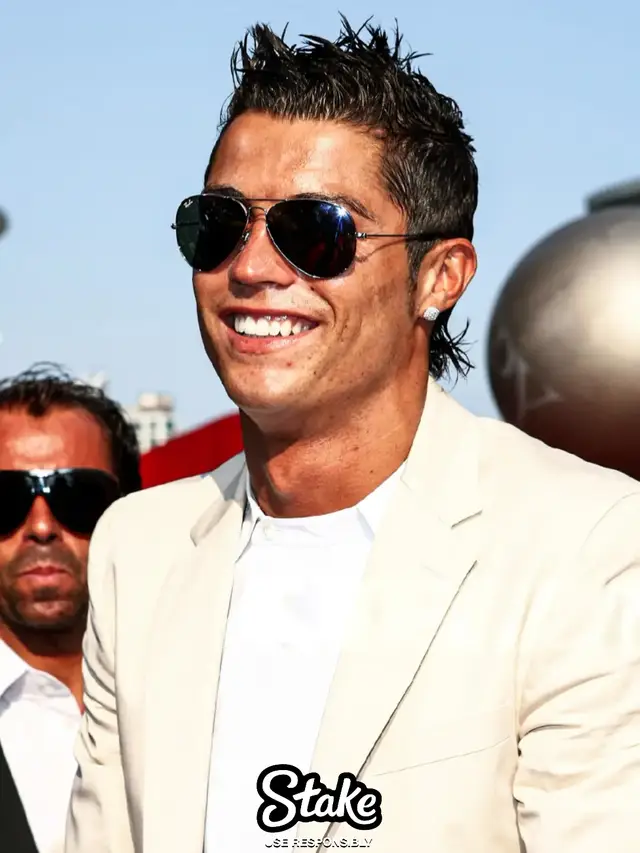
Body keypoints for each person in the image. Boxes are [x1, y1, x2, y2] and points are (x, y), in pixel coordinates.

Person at [66, 19, 640, 853]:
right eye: (219, 224)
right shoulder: (139, 548)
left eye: (316, 231)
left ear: (439, 276)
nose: (252, 267)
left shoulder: (585, 542)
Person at [0, 364, 140, 853]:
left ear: (130, 511)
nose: (41, 527)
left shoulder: (208, 684)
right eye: (4, 499)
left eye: (78, 496)